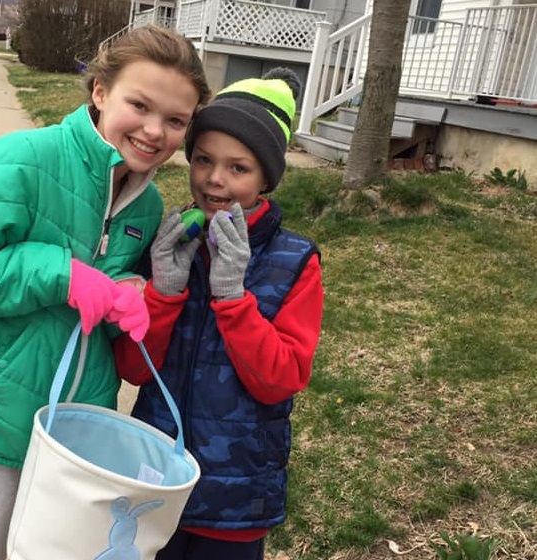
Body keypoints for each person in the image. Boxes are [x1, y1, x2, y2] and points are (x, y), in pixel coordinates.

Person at [0, 24, 210, 560]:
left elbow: (106, 305)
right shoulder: (21, 160)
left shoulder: (148, 207)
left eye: (176, 120)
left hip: (77, 434)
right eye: (140, 104)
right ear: (99, 91)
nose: (155, 131)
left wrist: (129, 294)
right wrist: (59, 275)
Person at [113, 68, 324, 560]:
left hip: (237, 494)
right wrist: (163, 292)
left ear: (267, 178)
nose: (215, 178)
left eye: (238, 168)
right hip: (157, 482)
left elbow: (282, 378)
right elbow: (132, 367)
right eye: (204, 159)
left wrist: (232, 299)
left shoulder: (294, 262)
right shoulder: (172, 241)